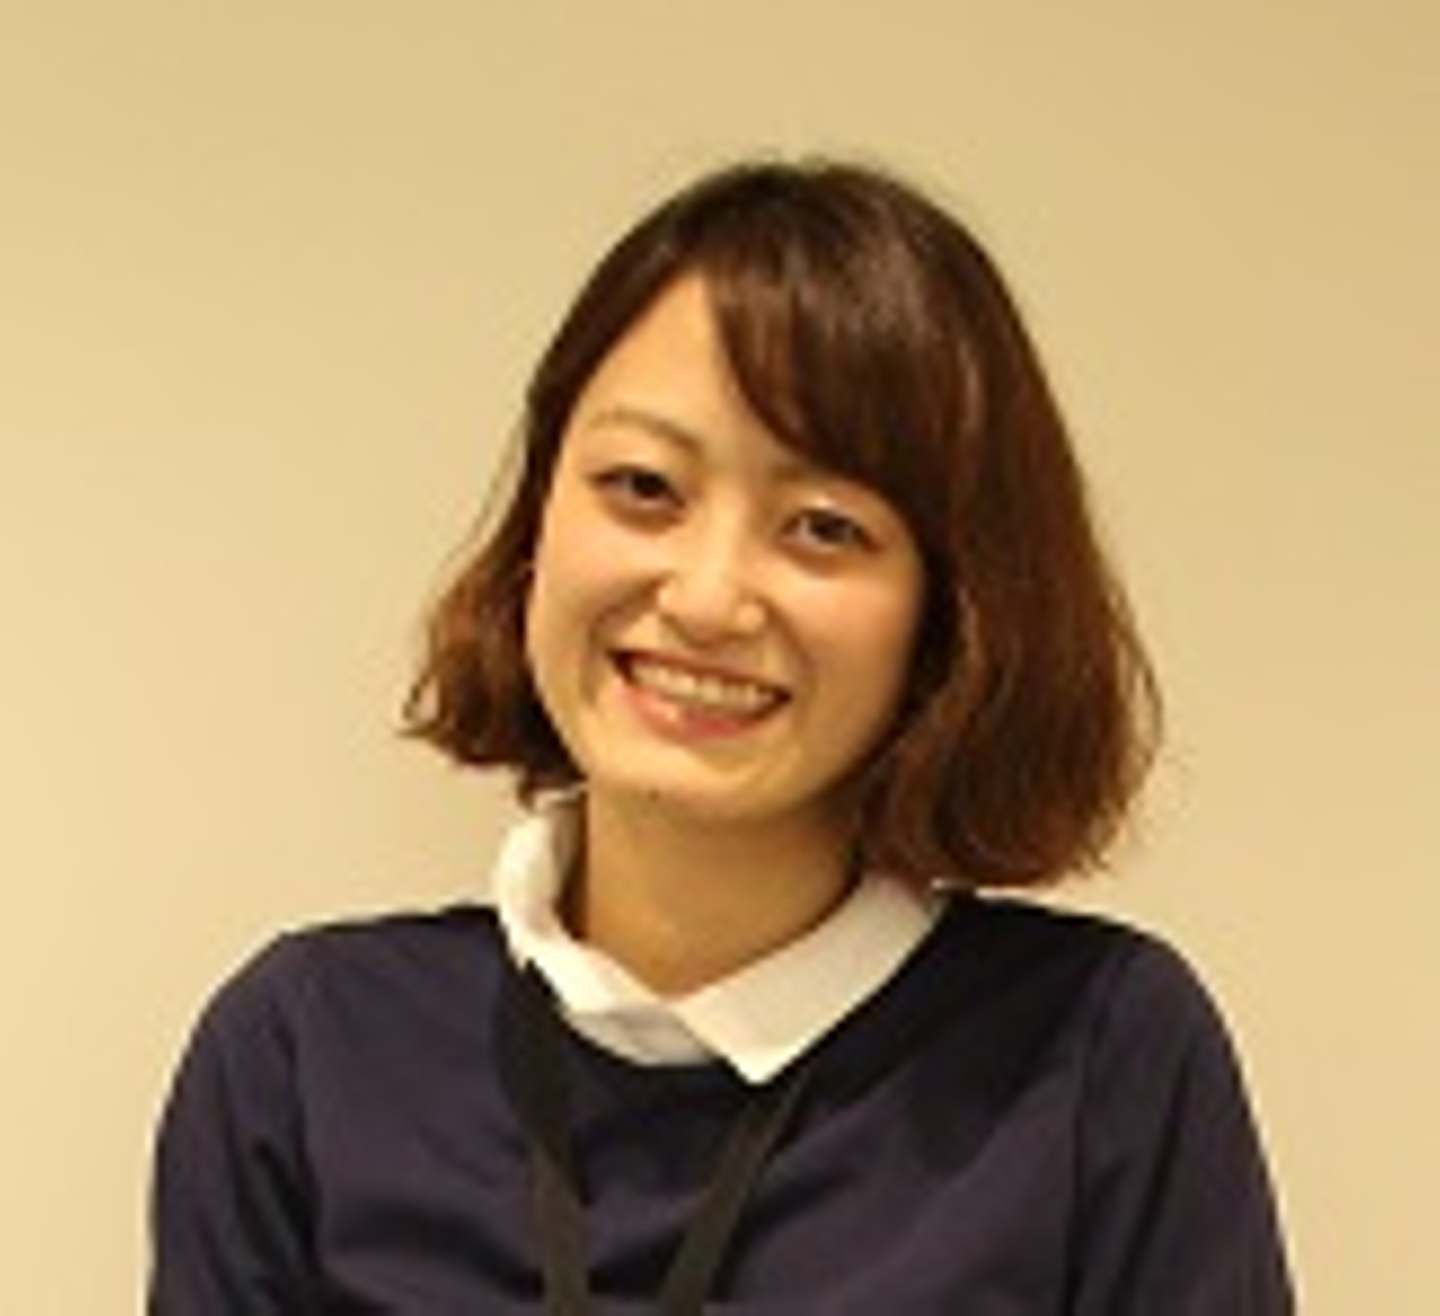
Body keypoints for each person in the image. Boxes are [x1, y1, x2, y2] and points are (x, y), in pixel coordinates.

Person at [149, 157, 1294, 1313]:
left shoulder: (1094, 1057)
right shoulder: (307, 1048)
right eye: (644, 486)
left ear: (954, 608)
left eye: (824, 526)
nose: (706, 597)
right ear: (540, 515)